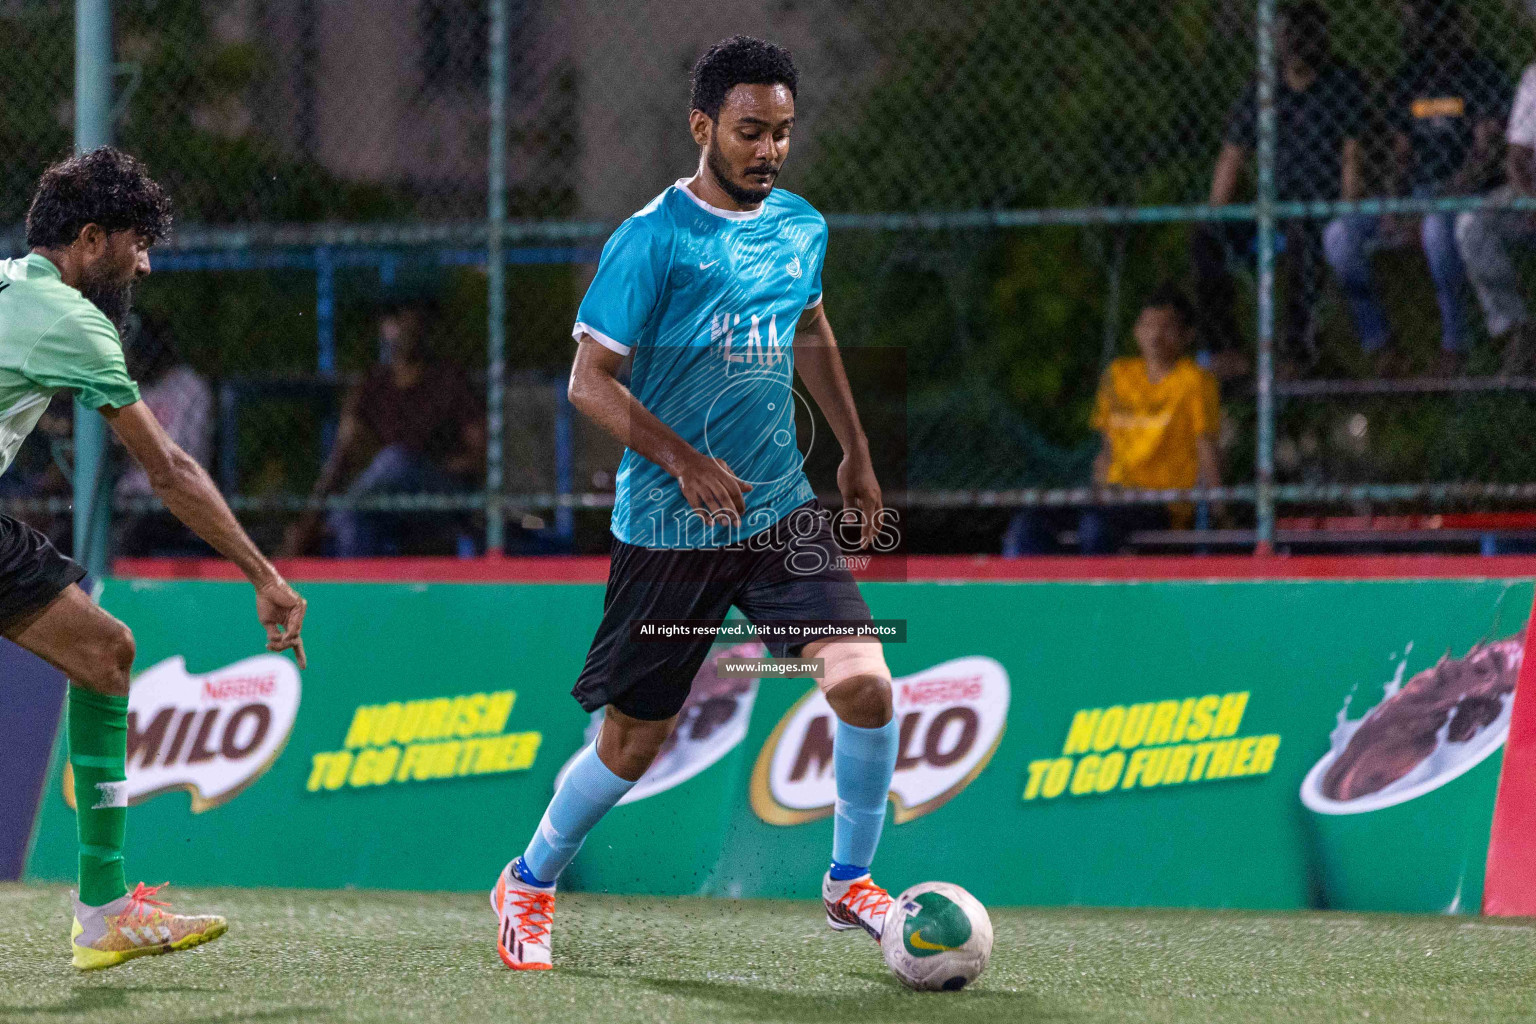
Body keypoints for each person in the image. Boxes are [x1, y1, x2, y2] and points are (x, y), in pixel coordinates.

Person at [491, 36, 896, 971]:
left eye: (784, 134)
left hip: (782, 514)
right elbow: (589, 383)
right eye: (752, 132)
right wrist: (682, 461)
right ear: (703, 126)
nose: (770, 151)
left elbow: (810, 325)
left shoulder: (800, 225)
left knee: (868, 685)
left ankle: (848, 884)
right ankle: (531, 877)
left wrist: (856, 456)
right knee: (633, 743)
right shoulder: (651, 239)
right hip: (671, 529)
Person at [0, 148, 307, 970]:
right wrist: (264, 575)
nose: (146, 262)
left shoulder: (9, 287)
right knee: (108, 653)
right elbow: (168, 469)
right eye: (137, 243)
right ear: (91, 239)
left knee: (105, 652)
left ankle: (101, 915)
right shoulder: (72, 318)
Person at [1323, 0, 1508, 376]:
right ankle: (1381, 348)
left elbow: (1486, 154)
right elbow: (1401, 154)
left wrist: (1437, 201)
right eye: (1419, 21)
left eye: (1432, 20)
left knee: (1437, 229)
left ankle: (1454, 347)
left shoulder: (1483, 72)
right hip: (1417, 196)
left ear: (1454, 25)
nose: (1424, 30)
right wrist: (1393, 204)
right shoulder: (1411, 78)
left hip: (1468, 196)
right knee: (1339, 235)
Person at [1196, 1, 1367, 376]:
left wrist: (1345, 211)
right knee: (1205, 236)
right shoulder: (1263, 87)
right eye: (1287, 34)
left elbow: (1352, 163)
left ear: (1322, 38)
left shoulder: (1343, 83)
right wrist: (1215, 217)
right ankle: (1224, 348)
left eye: (1305, 34)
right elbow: (1231, 158)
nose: (1296, 44)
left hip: (1317, 212)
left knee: (1302, 232)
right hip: (1270, 214)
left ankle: (1296, 351)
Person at [1004, 287, 1222, 555]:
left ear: (1187, 335)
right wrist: (1099, 491)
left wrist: (1219, 510)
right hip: (1114, 496)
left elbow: (1206, 447)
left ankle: (1095, 595)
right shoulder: (1118, 375)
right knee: (1028, 525)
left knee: (1095, 528)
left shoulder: (1195, 382)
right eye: (1147, 325)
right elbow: (1107, 448)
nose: (1154, 336)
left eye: (1166, 328)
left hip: (1160, 502)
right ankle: (1042, 595)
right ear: (1136, 330)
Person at [281, 300, 483, 557]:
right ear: (383, 328)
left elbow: (480, 455)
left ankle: (333, 519)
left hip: (441, 494)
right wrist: (312, 513)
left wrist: (430, 465)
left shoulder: (449, 380)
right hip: (384, 499)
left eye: (411, 319)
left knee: (395, 460)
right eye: (394, 319)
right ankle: (355, 592)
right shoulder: (372, 384)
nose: (403, 327)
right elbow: (342, 454)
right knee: (355, 521)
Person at [1456, 59, 1536, 376]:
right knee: (1472, 224)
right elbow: (1515, 158)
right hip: (1533, 193)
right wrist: (1530, 200)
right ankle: (1517, 329)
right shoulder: (1534, 78)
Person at [114, 315, 214, 555]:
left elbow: (179, 454)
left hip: (171, 498)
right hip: (126, 496)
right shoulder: (134, 387)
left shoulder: (190, 386)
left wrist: (130, 448)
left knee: (127, 536)